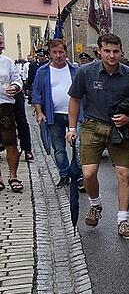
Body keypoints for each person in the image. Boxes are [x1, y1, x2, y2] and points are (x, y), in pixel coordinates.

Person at [66, 33, 129, 239]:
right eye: (107, 51)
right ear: (99, 51)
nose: (111, 55)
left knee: (124, 174)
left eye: (116, 51)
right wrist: (72, 128)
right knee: (89, 173)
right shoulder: (85, 72)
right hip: (92, 125)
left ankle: (123, 220)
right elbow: (74, 100)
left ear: (121, 52)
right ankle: (95, 205)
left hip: (120, 130)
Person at [31, 39, 79, 187]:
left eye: (61, 52)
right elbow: (37, 94)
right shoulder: (43, 71)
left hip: (75, 114)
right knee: (58, 147)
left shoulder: (75, 70)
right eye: (55, 52)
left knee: (79, 146)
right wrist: (39, 113)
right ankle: (64, 174)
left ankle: (79, 175)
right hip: (54, 114)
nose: (58, 55)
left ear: (66, 53)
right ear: (50, 54)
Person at [0, 32, 24, 192]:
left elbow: (18, 79)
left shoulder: (8, 62)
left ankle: (13, 176)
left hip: (5, 106)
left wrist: (15, 86)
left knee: (10, 142)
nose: (2, 45)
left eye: (2, 42)